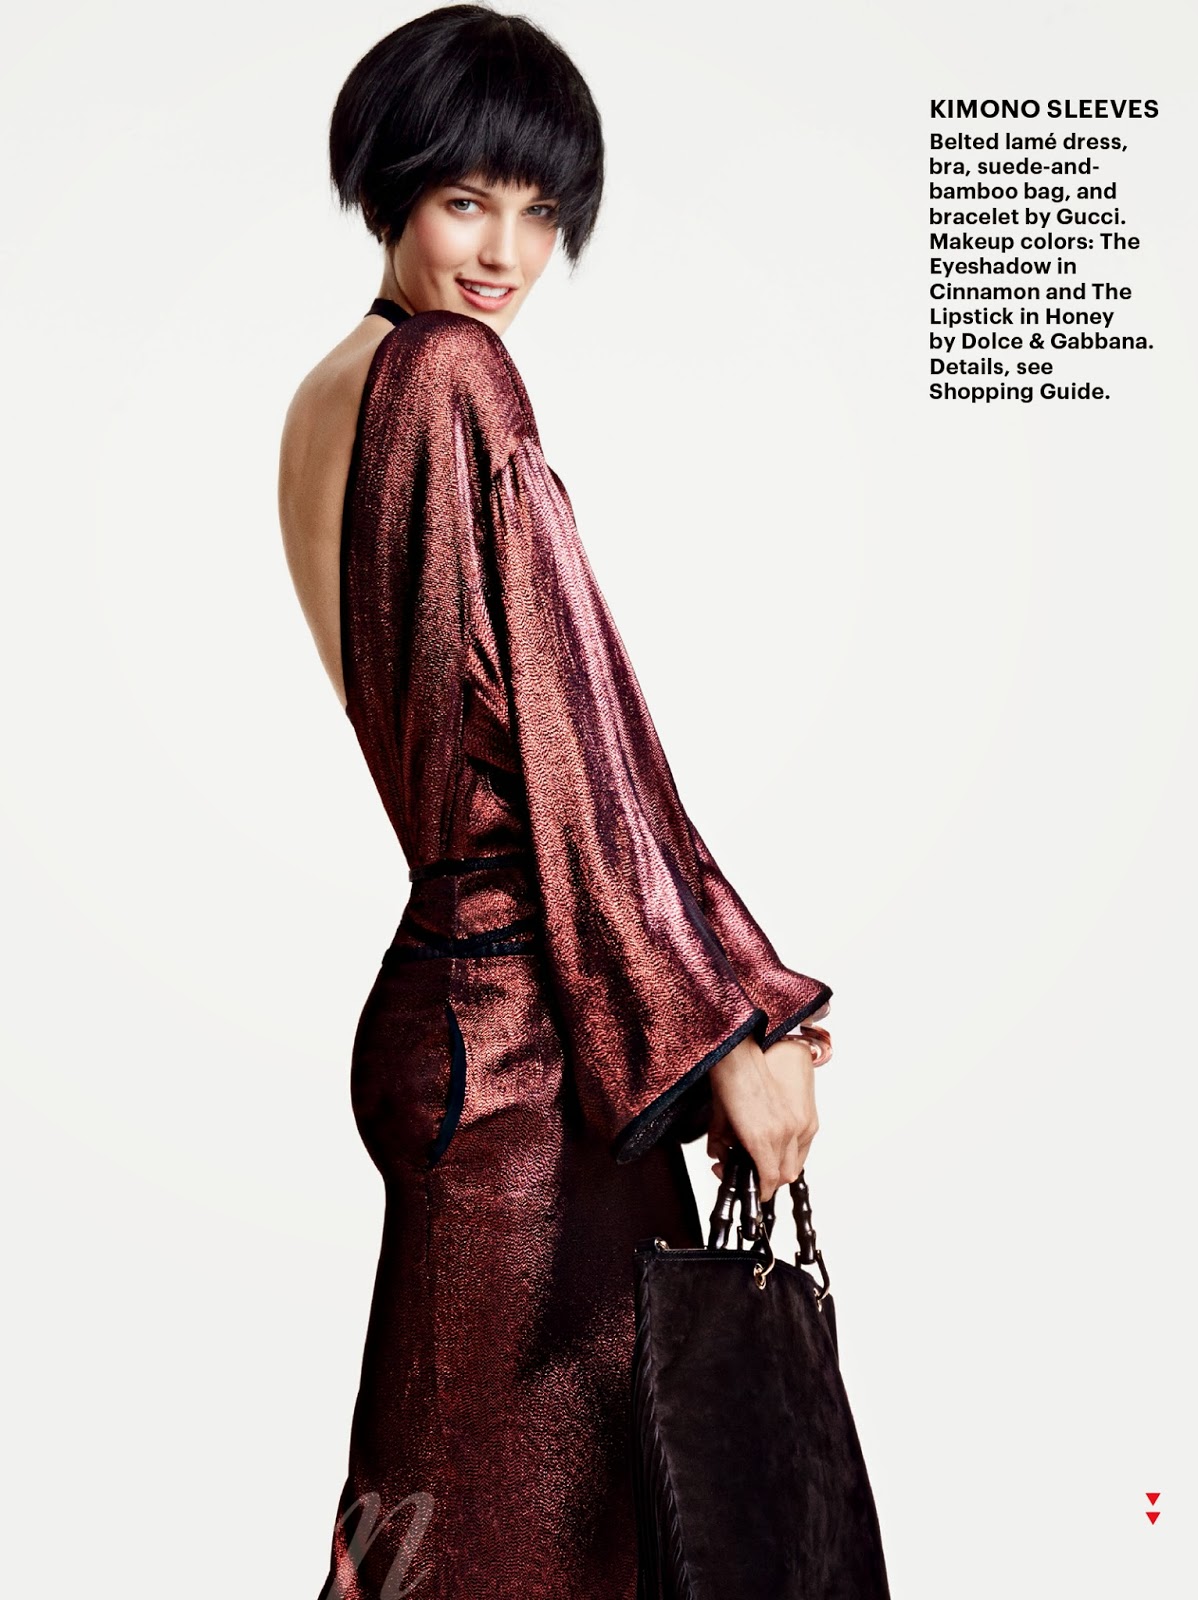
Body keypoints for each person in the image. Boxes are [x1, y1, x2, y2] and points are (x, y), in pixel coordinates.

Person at [277, 7, 833, 1596]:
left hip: (458, 1018)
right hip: (521, 1043)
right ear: (389, 183)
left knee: (445, 1524)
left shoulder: (330, 389)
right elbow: (565, 736)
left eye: (538, 212)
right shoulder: (454, 374)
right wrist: (720, 1025)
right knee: (526, 1546)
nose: (505, 254)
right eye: (466, 201)